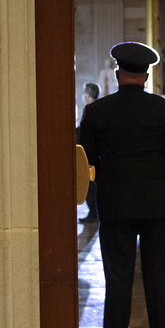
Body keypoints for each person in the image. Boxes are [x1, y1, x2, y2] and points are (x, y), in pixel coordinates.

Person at [78, 42, 165, 328]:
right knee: (161, 275)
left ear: (116, 73)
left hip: (116, 204)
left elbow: (87, 161)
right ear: (147, 75)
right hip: (159, 204)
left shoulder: (96, 111)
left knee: (117, 276)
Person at [78, 82, 100, 223]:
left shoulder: (91, 109)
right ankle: (93, 212)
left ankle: (93, 213)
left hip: (90, 154)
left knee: (91, 186)